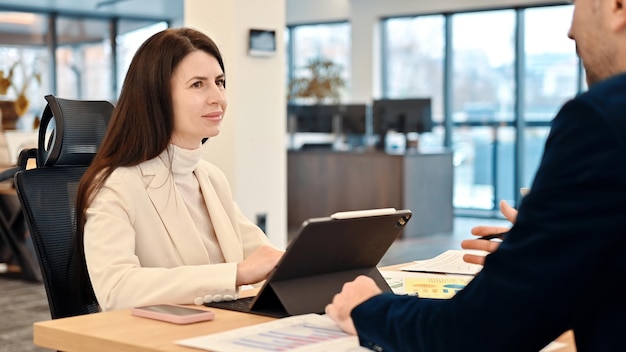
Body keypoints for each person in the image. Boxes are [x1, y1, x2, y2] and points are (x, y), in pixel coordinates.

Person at [326, 0, 626, 350]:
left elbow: (480, 332)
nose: (570, 31)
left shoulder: (603, 119)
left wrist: (369, 309)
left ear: (617, 6)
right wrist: (543, 248)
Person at [73, 27, 283, 312]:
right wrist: (235, 274)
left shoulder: (210, 177)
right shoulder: (115, 186)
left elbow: (262, 255)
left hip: (220, 328)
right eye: (198, 84)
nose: (217, 97)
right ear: (156, 96)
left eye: (220, 82)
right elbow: (116, 289)